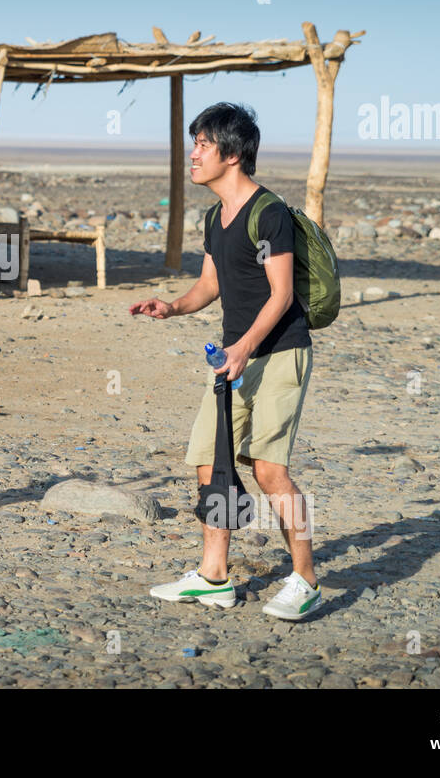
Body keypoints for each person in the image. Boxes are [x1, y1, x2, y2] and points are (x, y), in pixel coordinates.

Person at [129, 103, 321, 621]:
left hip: (280, 352)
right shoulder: (216, 216)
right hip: (235, 360)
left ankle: (305, 578)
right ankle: (214, 576)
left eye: (203, 145)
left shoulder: (270, 212)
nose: (193, 154)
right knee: (207, 462)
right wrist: (172, 306)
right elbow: (211, 285)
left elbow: (281, 295)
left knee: (269, 471)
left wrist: (243, 347)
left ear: (232, 155)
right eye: (195, 143)